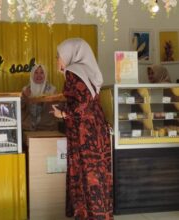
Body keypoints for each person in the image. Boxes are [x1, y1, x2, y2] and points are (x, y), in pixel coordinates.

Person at [51, 38, 113, 219]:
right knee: (98, 175)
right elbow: (88, 102)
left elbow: (82, 104)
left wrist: (62, 114)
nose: (57, 60)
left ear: (70, 54)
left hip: (84, 135)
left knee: (85, 175)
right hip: (98, 131)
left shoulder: (73, 71)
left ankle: (87, 215)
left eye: (59, 56)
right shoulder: (89, 70)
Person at [21, 64, 57, 131]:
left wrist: (49, 99)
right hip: (28, 128)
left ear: (45, 75)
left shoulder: (52, 90)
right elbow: (21, 108)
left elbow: (56, 109)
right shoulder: (26, 89)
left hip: (47, 128)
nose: (39, 75)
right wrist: (25, 97)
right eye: (36, 72)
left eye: (42, 72)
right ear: (32, 75)